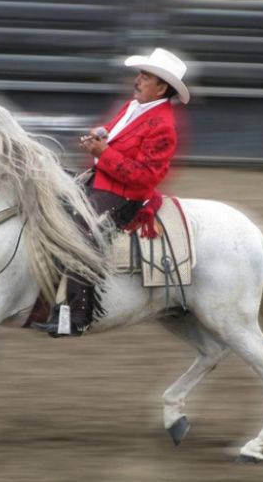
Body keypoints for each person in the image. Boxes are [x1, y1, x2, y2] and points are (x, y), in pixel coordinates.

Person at [31, 47, 191, 337]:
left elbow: (145, 178)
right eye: (140, 74)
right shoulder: (134, 107)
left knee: (79, 232)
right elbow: (114, 135)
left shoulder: (164, 126)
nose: (138, 80)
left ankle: (77, 315)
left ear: (161, 88)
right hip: (100, 181)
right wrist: (99, 138)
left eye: (145, 76)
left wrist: (103, 153)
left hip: (125, 197)